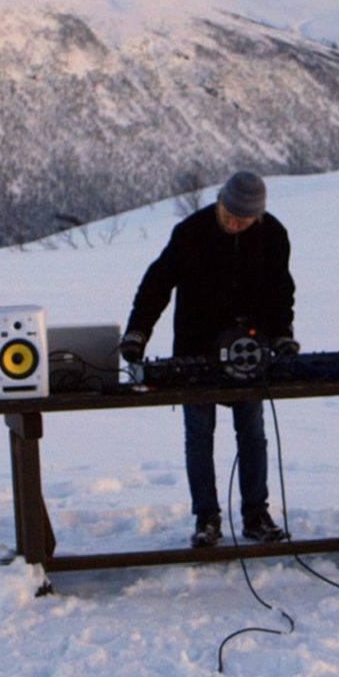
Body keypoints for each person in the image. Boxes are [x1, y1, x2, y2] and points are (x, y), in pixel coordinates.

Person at [118, 170, 299, 548]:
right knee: (199, 435)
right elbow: (156, 285)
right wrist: (137, 333)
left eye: (243, 221)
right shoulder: (191, 232)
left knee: (252, 433)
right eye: (229, 215)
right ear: (219, 202)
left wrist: (282, 337)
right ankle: (207, 517)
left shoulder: (274, 236)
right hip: (194, 351)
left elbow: (280, 291)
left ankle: (255, 514)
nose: (234, 224)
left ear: (258, 217)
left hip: (248, 352)